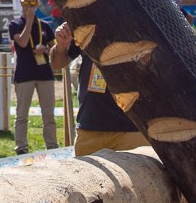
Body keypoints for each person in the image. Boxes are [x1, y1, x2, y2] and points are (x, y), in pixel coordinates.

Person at [49, 20, 146, 156]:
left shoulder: (141, 19)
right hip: (89, 129)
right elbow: (57, 64)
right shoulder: (84, 20)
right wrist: (61, 46)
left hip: (131, 130)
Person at [8, 0, 57, 154]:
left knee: (49, 114)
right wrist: (28, 21)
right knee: (22, 114)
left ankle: (52, 146)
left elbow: (55, 50)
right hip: (24, 74)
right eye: (25, 3)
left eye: (32, 3)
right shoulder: (15, 24)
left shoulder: (45, 26)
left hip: (44, 74)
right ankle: (21, 146)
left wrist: (46, 49)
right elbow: (22, 42)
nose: (28, 7)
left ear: (37, 4)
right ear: (20, 4)